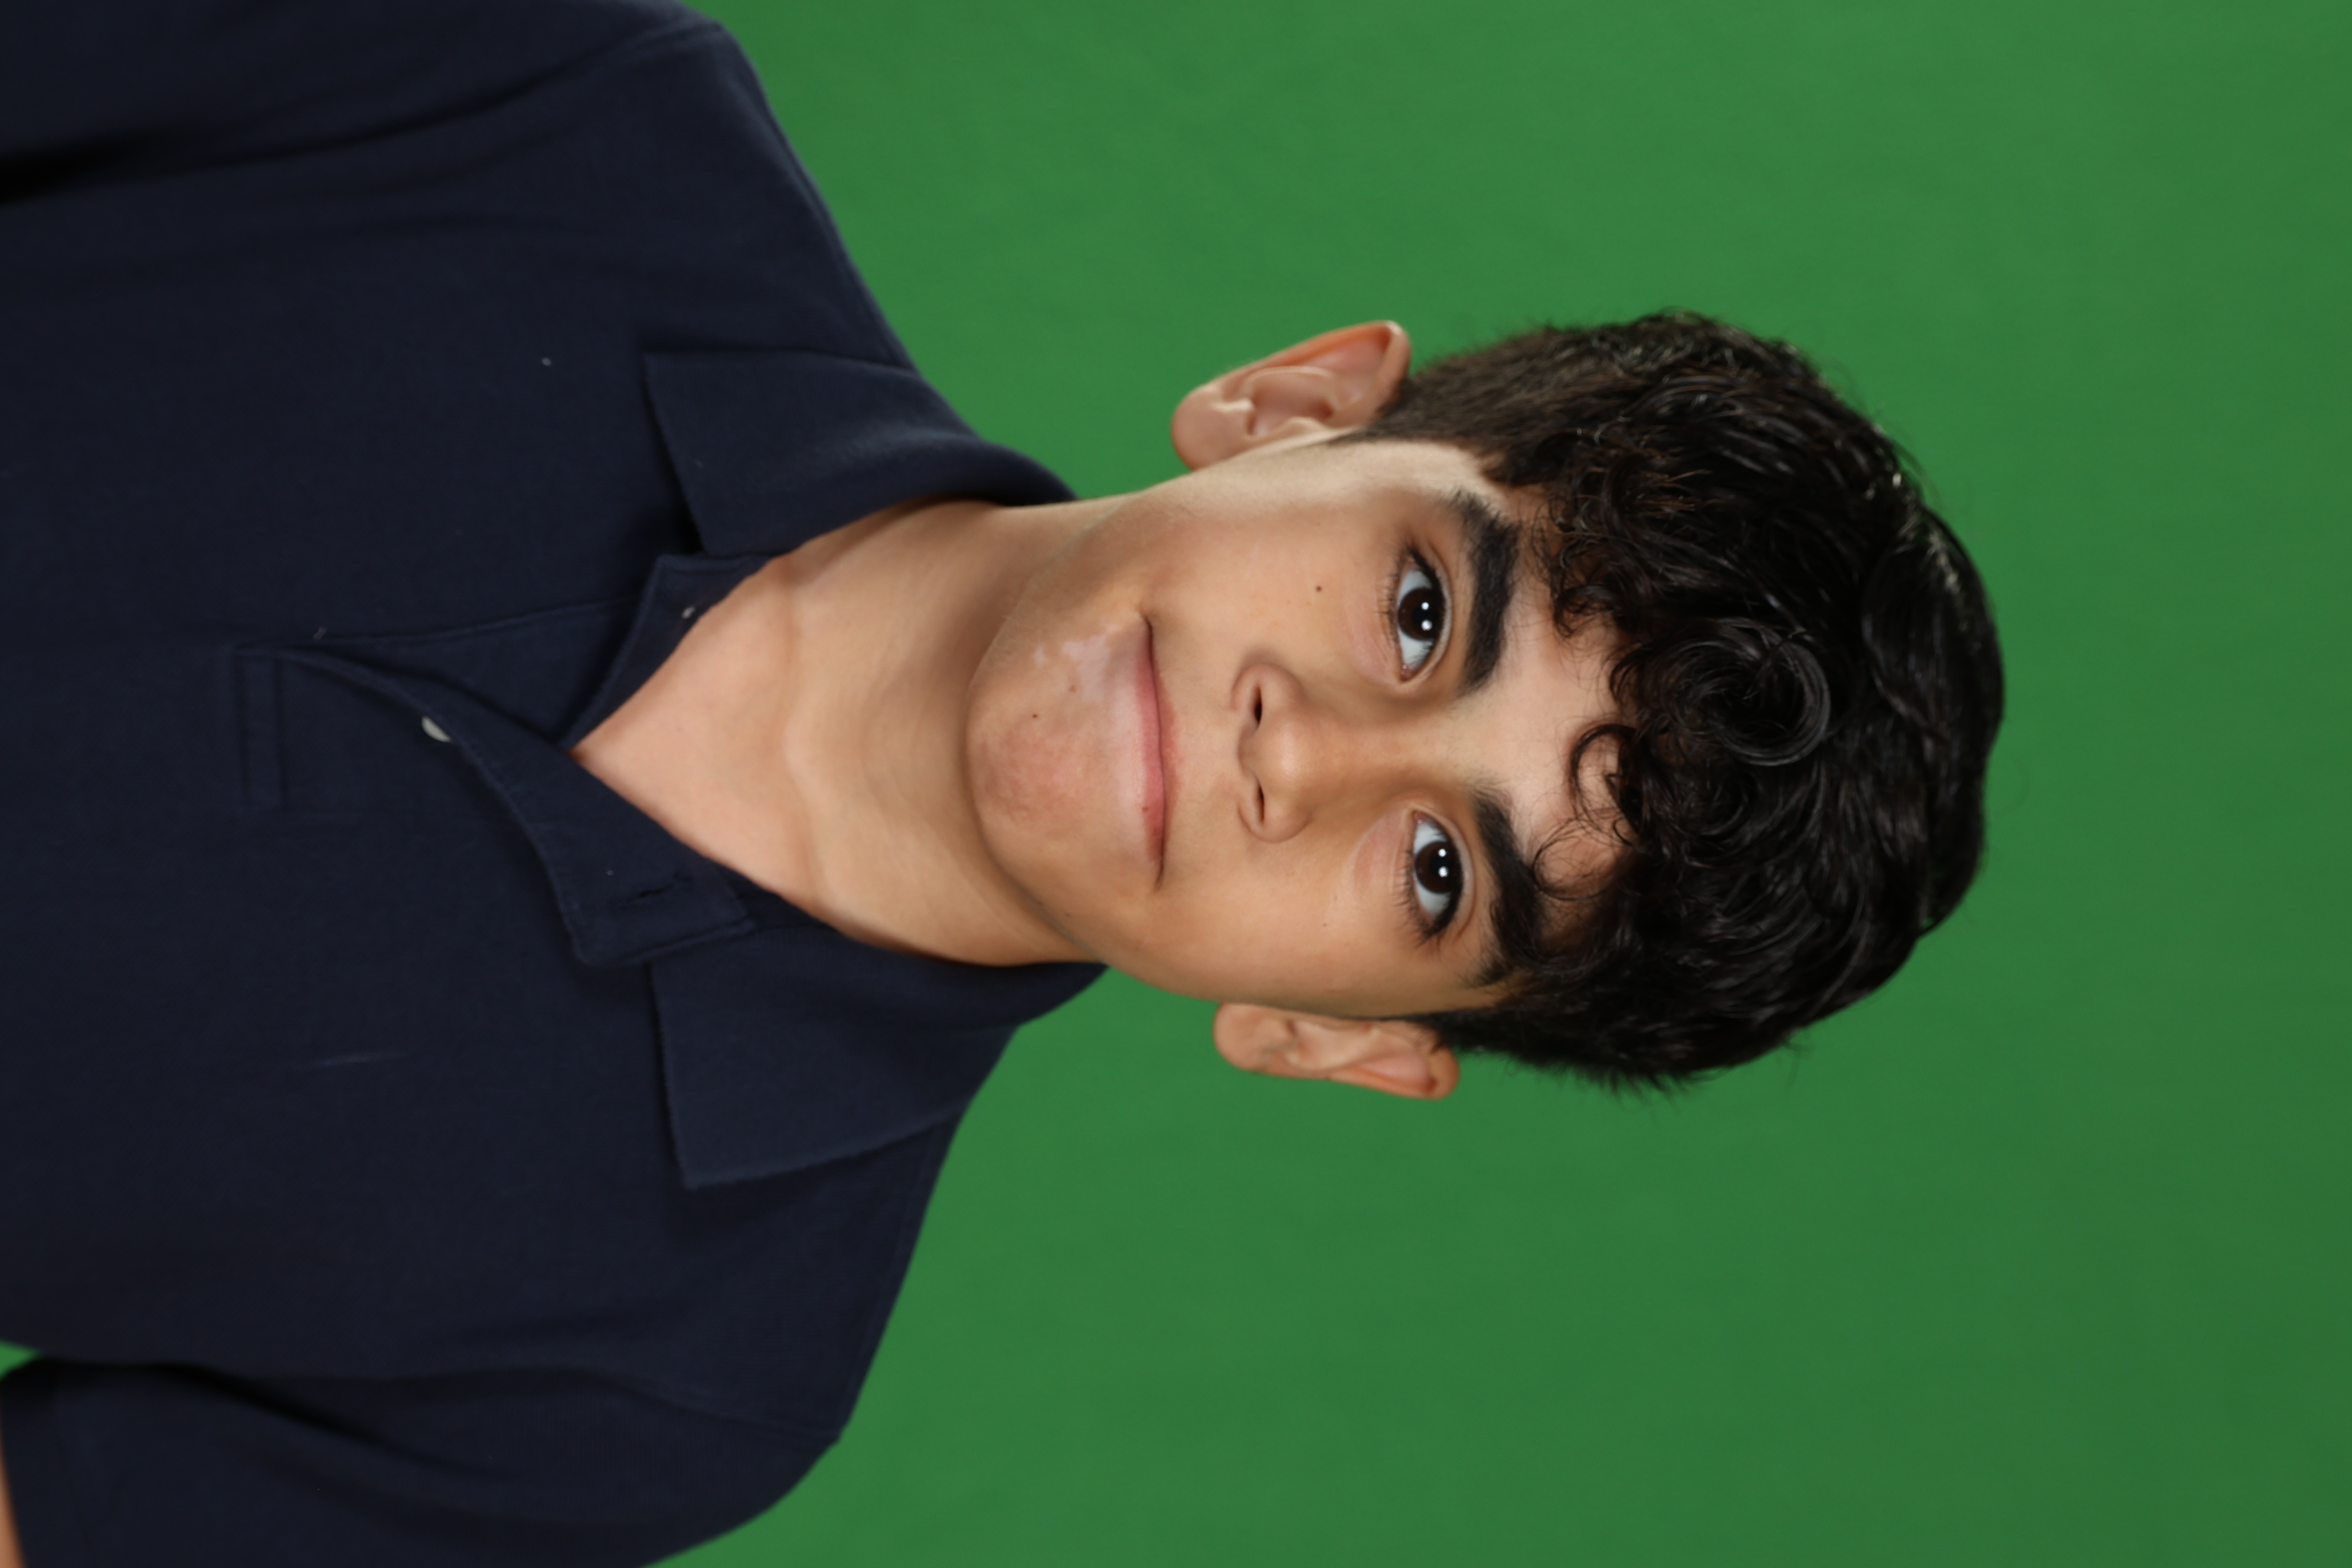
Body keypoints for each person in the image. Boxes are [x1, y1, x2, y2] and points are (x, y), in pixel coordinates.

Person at [0, 0, 2002, 1563]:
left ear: (1336, 1037)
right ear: (1296, 403)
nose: (1302, 752)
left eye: (1435, 874)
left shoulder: (670, 1387)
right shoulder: (561, 105)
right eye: (1421, 611)